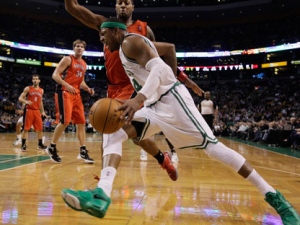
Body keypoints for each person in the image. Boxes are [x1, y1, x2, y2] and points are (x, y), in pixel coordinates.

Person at [61, 18, 300, 224]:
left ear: (115, 31)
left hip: (174, 102)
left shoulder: (129, 42)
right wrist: (147, 96)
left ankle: (276, 199)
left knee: (215, 149)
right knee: (114, 130)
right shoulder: (124, 48)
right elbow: (168, 52)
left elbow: (161, 71)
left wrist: (139, 98)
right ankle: (102, 194)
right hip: (155, 105)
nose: (101, 40)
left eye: (103, 35)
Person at [64, 0, 203, 165]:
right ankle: (162, 158)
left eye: (127, 2)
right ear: (115, 7)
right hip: (113, 87)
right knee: (136, 136)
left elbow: (157, 58)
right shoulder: (105, 24)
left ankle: (103, 182)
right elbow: (73, 8)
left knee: (109, 130)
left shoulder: (144, 29)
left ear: (132, 7)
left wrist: (183, 80)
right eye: (119, 2)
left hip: (135, 86)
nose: (123, 5)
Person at [45, 39, 95, 163]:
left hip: (76, 94)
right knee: (65, 121)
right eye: (77, 46)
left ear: (84, 49)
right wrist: (66, 85)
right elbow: (55, 75)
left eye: (81, 46)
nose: (79, 48)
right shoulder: (68, 59)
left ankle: (83, 151)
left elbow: (81, 81)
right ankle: (52, 147)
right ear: (74, 48)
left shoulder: (84, 64)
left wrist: (87, 88)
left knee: (81, 122)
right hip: (64, 92)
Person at [18, 74, 47, 151]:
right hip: (29, 110)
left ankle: (40, 145)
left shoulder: (41, 90)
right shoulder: (28, 88)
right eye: (34, 79)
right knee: (26, 129)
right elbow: (20, 98)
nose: (35, 80)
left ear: (39, 80)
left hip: (37, 111)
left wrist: (43, 111)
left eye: (36, 79)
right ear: (32, 80)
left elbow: (40, 102)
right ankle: (23, 145)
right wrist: (26, 101)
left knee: (40, 129)